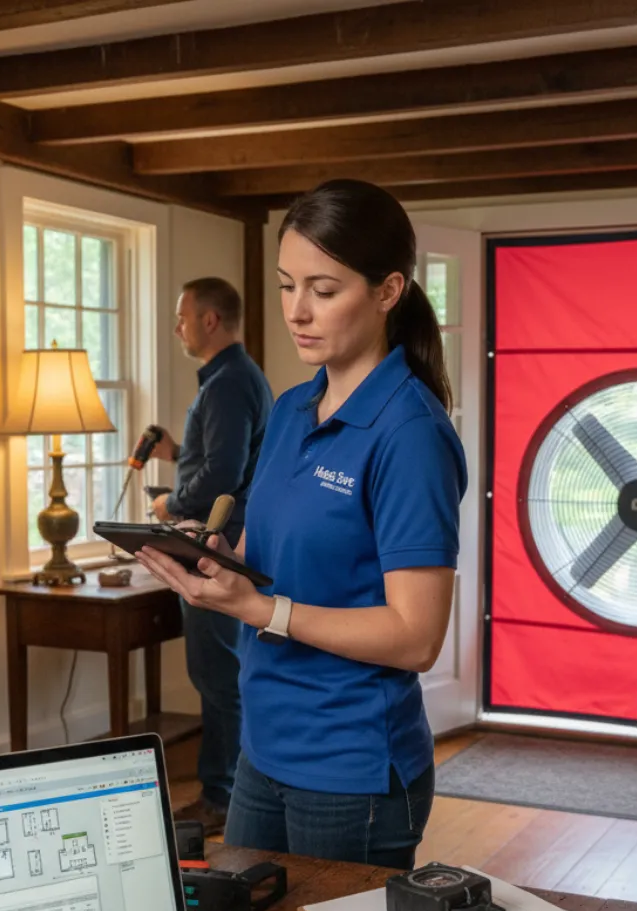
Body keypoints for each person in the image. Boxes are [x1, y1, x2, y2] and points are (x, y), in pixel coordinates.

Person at [137, 181, 466, 869]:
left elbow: (416, 638)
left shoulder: (409, 433)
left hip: (354, 769)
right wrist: (217, 558)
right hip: (264, 749)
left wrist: (261, 608)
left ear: (387, 291)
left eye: (323, 288)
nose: (296, 311)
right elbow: (263, 552)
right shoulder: (291, 411)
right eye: (288, 286)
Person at [151, 277, 273, 834]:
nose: (176, 326)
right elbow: (223, 454)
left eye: (182, 315)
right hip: (223, 544)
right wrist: (176, 453)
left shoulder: (226, 383)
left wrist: (168, 502)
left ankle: (222, 797)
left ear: (208, 320)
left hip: (213, 549)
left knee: (216, 677)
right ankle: (233, 788)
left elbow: (221, 476)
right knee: (222, 674)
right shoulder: (232, 379)